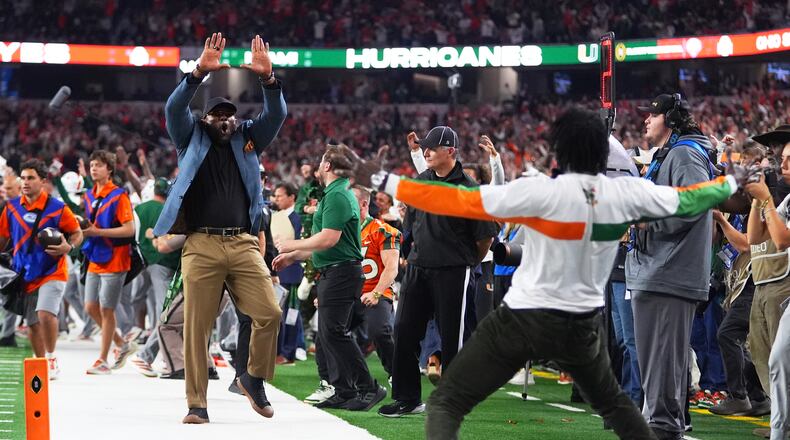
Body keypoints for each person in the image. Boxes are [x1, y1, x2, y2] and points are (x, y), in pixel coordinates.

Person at [350, 107, 754, 440]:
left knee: (447, 402)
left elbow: (455, 200)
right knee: (615, 407)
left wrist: (383, 179)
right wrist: (730, 180)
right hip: (582, 324)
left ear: (559, 153)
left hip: (522, 318)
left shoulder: (539, 190)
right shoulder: (627, 192)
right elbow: (689, 200)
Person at [154, 33, 286, 424]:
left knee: (270, 313)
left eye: (230, 115)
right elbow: (173, 107)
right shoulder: (189, 137)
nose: (226, 120)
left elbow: (276, 115)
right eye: (218, 115)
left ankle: (252, 377)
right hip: (201, 243)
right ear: (205, 119)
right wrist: (198, 73)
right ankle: (197, 404)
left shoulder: (248, 138)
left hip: (243, 243)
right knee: (197, 329)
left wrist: (268, 80)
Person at [376, 127, 498, 418]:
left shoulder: (469, 189)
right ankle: (407, 398)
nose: (427, 152)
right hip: (418, 268)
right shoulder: (421, 181)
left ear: (451, 151)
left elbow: (485, 238)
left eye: (432, 147)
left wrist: (466, 263)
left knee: (453, 338)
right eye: (425, 147)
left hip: (453, 271)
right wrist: (410, 254)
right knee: (404, 331)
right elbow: (411, 224)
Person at [626, 94, 717, 439]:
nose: (646, 120)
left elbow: (693, 205)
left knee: (663, 368)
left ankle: (663, 431)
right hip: (658, 270)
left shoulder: (684, 154)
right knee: (659, 369)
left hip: (669, 272)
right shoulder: (673, 154)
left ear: (671, 118)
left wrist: (643, 220)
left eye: (653, 114)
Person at [273, 144, 387, 412]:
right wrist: (294, 255)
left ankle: (368, 387)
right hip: (336, 270)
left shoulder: (337, 195)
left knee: (334, 332)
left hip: (341, 273)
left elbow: (328, 239)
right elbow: (328, 244)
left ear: (327, 166)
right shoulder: (338, 193)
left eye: (321, 161)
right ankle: (344, 389)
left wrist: (290, 245)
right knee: (328, 334)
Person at [0, 159, 83, 378]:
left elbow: (77, 233)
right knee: (32, 324)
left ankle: (52, 358)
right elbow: (3, 239)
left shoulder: (58, 208)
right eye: (23, 178)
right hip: (24, 274)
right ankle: (41, 362)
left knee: (45, 314)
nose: (25, 182)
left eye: (31, 178)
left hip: (52, 271)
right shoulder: (11, 208)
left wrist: (69, 247)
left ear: (43, 181)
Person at [743, 126, 790, 440]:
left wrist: (767, 199)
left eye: (787, 158)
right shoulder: (786, 200)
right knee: (776, 359)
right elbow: (754, 237)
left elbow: (782, 239)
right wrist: (756, 200)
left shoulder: (781, 199)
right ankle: (779, 431)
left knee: (779, 358)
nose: (781, 164)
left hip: (781, 282)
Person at [81, 150, 137, 375]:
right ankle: (122, 344)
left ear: (110, 169)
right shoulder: (88, 195)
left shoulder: (119, 195)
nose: (94, 168)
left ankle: (103, 360)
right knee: (90, 307)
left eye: (99, 165)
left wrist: (98, 232)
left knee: (107, 309)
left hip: (116, 258)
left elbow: (129, 229)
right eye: (92, 165)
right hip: (95, 256)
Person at [129, 177, 180, 376]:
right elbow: (168, 242)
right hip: (167, 264)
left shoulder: (141, 208)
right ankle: (147, 355)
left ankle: (169, 357)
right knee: (167, 311)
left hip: (146, 260)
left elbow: (134, 234)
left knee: (151, 303)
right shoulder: (171, 209)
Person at [354, 184, 399, 376]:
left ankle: (397, 374)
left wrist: (376, 293)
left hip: (376, 290)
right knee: (328, 331)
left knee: (380, 331)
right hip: (349, 293)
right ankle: (333, 381)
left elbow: (392, 267)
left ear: (364, 204)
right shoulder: (339, 231)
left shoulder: (383, 230)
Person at [271, 182, 304, 365]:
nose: (276, 199)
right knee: (278, 314)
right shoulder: (276, 217)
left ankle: (288, 352)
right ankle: (280, 350)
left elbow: (302, 245)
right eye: (275, 196)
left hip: (293, 273)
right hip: (279, 272)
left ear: (292, 197)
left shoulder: (299, 218)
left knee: (291, 314)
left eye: (280, 196)